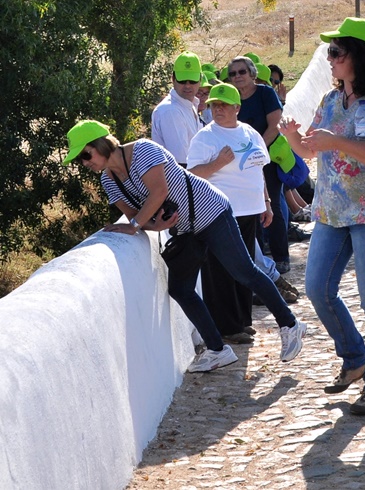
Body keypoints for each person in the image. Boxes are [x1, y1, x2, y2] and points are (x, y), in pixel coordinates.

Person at [63, 120, 307, 371]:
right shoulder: (109, 181)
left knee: (244, 272)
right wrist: (150, 226)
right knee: (180, 289)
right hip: (186, 229)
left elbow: (158, 192)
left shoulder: (143, 150)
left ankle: (290, 325)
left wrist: (137, 224)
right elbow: (134, 214)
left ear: (101, 144)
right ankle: (217, 349)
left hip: (211, 212)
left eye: (85, 154)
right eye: (79, 159)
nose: (84, 162)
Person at [279, 17, 365, 415]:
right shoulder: (331, 102)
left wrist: (339, 142)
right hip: (332, 212)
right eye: (329, 52)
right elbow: (313, 150)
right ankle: (354, 357)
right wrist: (293, 138)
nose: (329, 58)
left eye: (336, 52)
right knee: (317, 288)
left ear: (359, 56)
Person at [187, 83, 300, 344]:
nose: (219, 109)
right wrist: (217, 164)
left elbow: (257, 168)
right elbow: (191, 175)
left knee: (244, 269)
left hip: (250, 211)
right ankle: (226, 326)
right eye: (215, 105)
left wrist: (267, 202)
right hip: (219, 213)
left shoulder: (250, 133)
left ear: (237, 107)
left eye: (224, 105)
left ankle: (241, 321)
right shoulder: (205, 137)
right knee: (222, 272)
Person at [228, 55, 293, 274]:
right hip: (240, 164)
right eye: (233, 73)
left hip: (266, 158)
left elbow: (274, 125)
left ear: (252, 73)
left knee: (272, 204)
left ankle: (281, 256)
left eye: (242, 72)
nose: (237, 76)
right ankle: (258, 260)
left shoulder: (265, 93)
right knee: (249, 210)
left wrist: (257, 151)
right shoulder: (230, 99)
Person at [151, 51, 203, 167]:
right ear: (173, 79)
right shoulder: (171, 111)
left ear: (200, 79)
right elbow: (182, 162)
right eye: (183, 81)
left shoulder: (189, 106)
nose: (188, 85)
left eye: (192, 81)